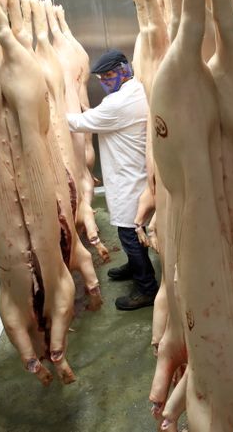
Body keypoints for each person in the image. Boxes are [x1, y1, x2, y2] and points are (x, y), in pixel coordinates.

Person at [66, 49, 158, 311]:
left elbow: (79, 123)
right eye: (101, 77)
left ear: (123, 71)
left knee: (129, 232)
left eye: (109, 75)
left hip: (128, 180)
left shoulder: (118, 104)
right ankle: (134, 266)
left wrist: (49, 113)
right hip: (134, 173)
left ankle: (146, 289)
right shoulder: (137, 90)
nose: (105, 81)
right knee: (129, 231)